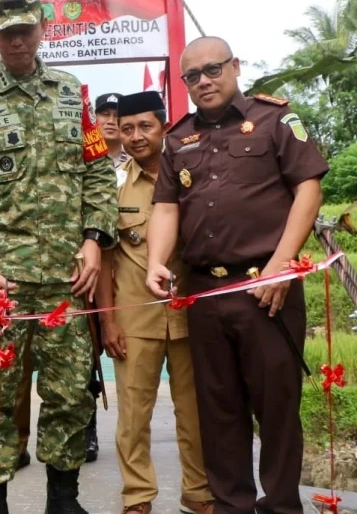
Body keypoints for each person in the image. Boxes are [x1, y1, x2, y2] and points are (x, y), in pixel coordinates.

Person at [0, 0, 118, 514]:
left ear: (42, 30)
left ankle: (62, 500)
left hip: (67, 278)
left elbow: (97, 173)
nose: (16, 42)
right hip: (0, 285)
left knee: (69, 395)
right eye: (6, 34)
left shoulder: (72, 94)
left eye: (25, 31)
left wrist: (94, 243)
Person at [146, 37, 328, 514]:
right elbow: (166, 207)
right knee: (219, 413)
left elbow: (308, 191)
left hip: (266, 288)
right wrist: (156, 261)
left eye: (213, 69)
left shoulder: (275, 121)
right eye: (192, 76)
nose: (204, 81)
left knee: (277, 409)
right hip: (205, 291)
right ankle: (231, 507)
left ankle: (282, 506)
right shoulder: (178, 138)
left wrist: (282, 265)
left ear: (235, 66)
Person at [95, 91, 213, 514]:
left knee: (195, 413)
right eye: (127, 129)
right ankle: (137, 498)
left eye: (145, 126)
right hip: (134, 319)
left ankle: (198, 495)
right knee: (132, 419)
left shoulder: (192, 175)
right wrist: (108, 322)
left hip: (190, 317)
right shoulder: (113, 185)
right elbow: (106, 259)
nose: (136, 136)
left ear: (164, 126)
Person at [96, 93, 129, 170]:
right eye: (105, 114)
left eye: (117, 115)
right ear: (94, 118)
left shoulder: (136, 160)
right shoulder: (80, 157)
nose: (111, 121)